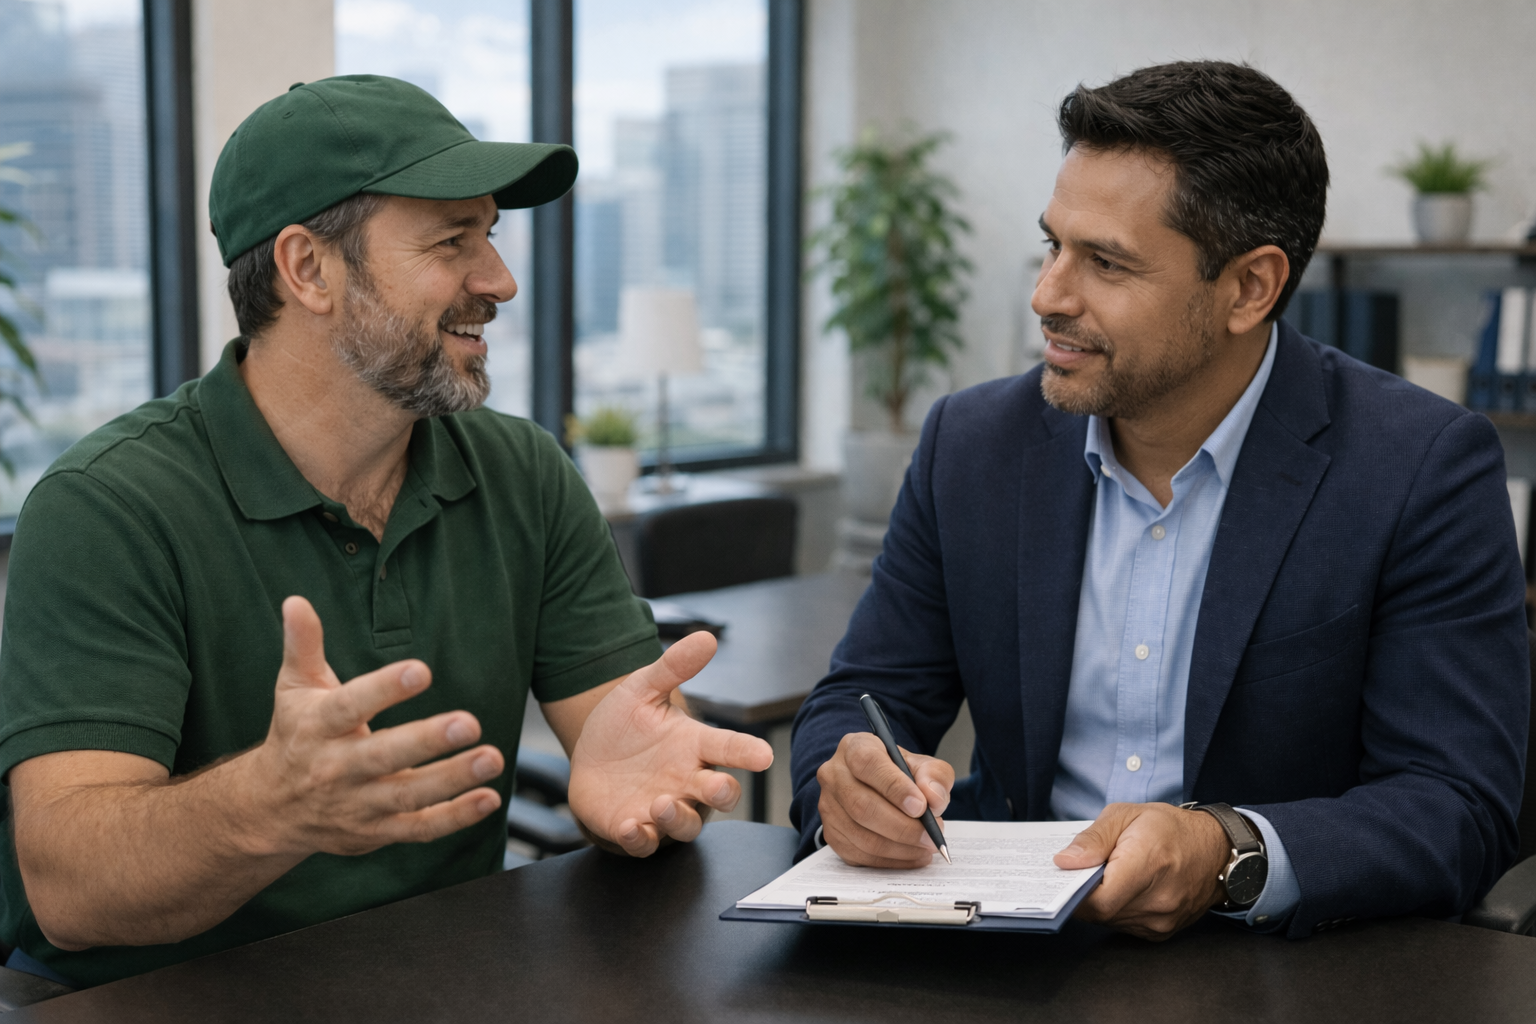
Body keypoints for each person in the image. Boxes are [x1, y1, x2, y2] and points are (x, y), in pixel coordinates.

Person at [0, 75, 771, 988]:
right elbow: (68, 886)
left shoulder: (522, 473)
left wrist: (642, 775)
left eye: (490, 235)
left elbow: (627, 731)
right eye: (453, 241)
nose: (500, 281)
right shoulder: (109, 506)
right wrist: (271, 805)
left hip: (441, 979)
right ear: (308, 269)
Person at [790, 60, 1529, 940]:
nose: (1048, 295)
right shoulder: (973, 445)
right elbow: (865, 693)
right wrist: (846, 782)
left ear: (1250, 288)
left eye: (1105, 262)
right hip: (1007, 954)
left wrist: (1228, 853)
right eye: (1052, 244)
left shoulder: (1418, 466)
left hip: (1279, 970)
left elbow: (1456, 806)